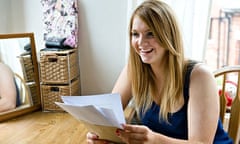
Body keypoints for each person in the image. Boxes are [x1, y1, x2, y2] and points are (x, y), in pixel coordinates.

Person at [87, 0, 233, 143]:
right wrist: (99, 134)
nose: (141, 42)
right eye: (135, 34)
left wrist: (155, 140)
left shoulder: (200, 76)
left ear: (168, 36)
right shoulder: (134, 69)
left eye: (150, 33)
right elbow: (106, 118)